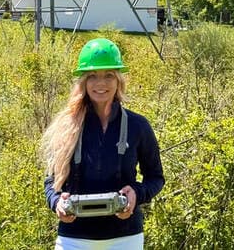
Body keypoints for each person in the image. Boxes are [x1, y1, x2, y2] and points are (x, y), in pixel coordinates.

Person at [42, 38, 165, 250]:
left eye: (108, 75)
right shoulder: (66, 125)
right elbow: (51, 183)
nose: (101, 83)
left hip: (125, 238)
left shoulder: (138, 125)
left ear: (118, 81)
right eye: (93, 76)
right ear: (83, 82)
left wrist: (137, 193)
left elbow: (156, 178)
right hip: (74, 238)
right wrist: (57, 203)